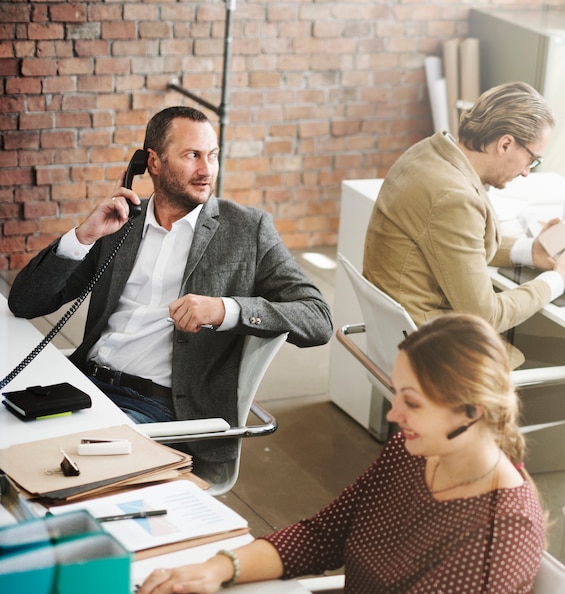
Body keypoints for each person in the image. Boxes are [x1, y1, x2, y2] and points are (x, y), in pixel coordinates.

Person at [134, 313, 545, 594]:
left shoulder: (509, 526)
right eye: (396, 394)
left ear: (471, 413)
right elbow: (323, 535)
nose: (394, 414)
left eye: (413, 403)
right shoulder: (411, 452)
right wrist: (216, 568)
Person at [8, 106, 333, 467]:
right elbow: (25, 302)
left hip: (159, 408)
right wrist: (83, 236)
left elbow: (317, 319)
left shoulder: (246, 229)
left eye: (212, 156)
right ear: (153, 162)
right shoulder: (121, 224)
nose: (206, 170)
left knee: (45, 467)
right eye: (192, 155)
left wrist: (226, 310)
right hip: (84, 387)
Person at [363, 81, 565, 368]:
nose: (526, 172)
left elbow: (455, 241)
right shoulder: (455, 197)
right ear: (506, 143)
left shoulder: (428, 153)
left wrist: (530, 250)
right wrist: (559, 279)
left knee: (558, 344)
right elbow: (485, 316)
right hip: (436, 352)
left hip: (404, 332)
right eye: (532, 160)